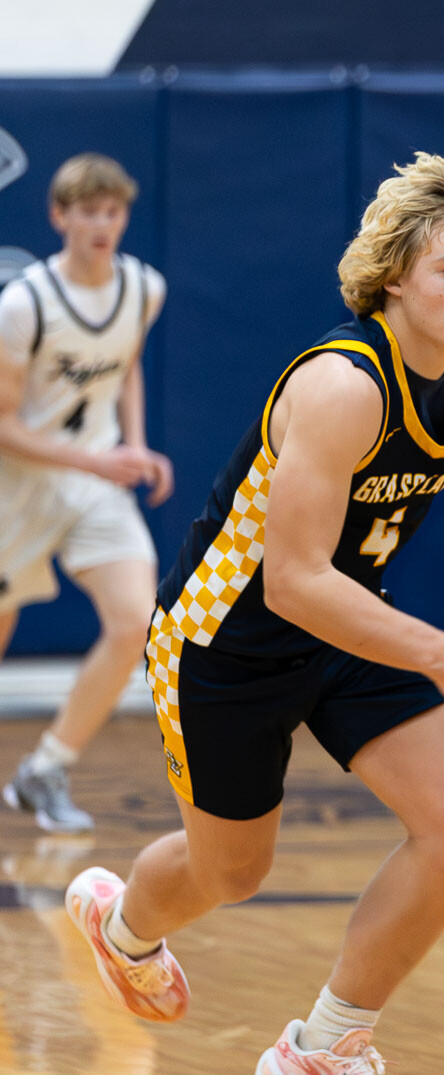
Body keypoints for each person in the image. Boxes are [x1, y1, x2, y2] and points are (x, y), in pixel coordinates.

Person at [64, 152, 444, 1074]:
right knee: (231, 872)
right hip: (223, 640)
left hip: (348, 623)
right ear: (394, 279)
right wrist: (442, 655)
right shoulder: (342, 386)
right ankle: (120, 926)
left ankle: (323, 1045)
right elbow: (292, 583)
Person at [0, 152, 172, 833]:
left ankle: (45, 769)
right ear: (59, 216)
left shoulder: (144, 288)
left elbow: (127, 367)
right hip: (19, 483)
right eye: (89, 212)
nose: (103, 224)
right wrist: (96, 461)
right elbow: (2, 424)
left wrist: (135, 446)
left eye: (113, 211)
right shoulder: (24, 304)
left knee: (135, 621)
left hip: (95, 481)